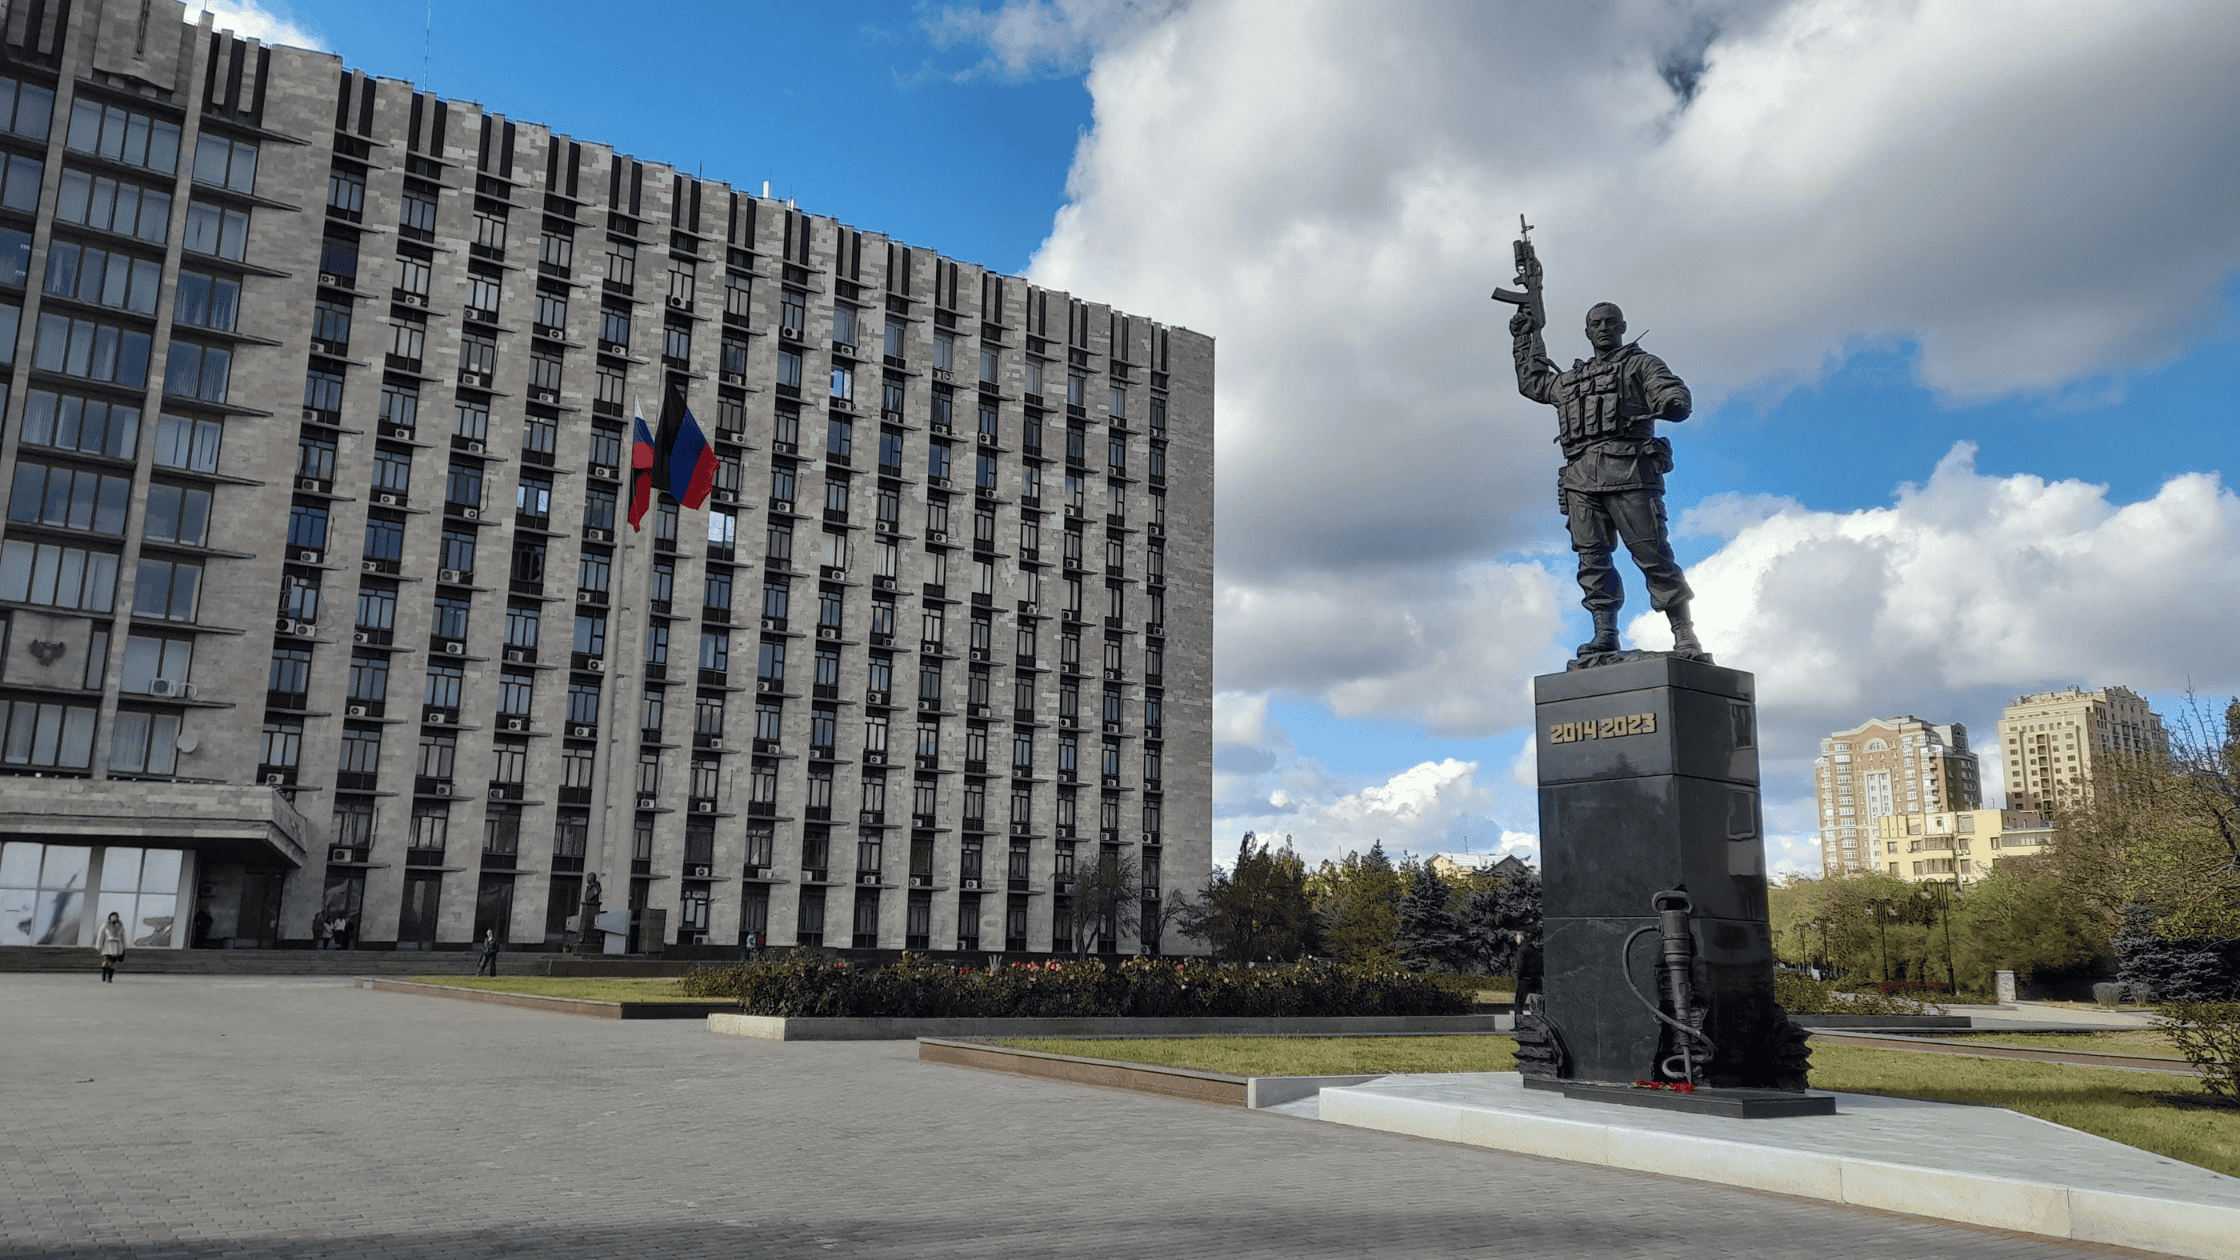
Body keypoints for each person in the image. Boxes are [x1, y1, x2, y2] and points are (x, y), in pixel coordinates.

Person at [1511, 300, 1703, 660]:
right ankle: (1605, 634)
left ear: (1622, 326)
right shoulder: (1572, 380)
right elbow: (1535, 383)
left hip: (1629, 471)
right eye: (1595, 323)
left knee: (1653, 555)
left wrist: (1673, 402)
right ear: (1587, 332)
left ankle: (1683, 633)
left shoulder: (1641, 364)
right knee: (1592, 560)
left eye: (1610, 322)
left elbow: (1670, 391)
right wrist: (1526, 336)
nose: (1603, 328)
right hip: (1580, 479)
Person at [95, 912, 127, 983]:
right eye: (112, 917)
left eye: (115, 917)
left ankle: (109, 978)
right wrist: (99, 945)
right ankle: (103, 974)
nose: (114, 918)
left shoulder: (120, 926)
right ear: (109, 917)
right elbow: (101, 936)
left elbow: (123, 936)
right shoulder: (106, 925)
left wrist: (124, 946)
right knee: (106, 962)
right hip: (107, 947)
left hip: (117, 947)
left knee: (112, 963)